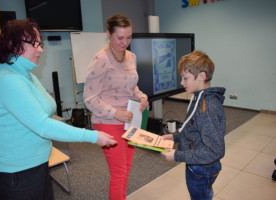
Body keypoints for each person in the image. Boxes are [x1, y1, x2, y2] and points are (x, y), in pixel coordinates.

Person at [0, 19, 116, 200]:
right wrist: (93, 136)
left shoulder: (25, 75)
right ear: (13, 45)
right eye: (34, 43)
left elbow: (44, 113)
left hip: (36, 162)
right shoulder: (7, 80)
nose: (41, 49)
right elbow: (43, 125)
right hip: (16, 170)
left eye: (40, 43)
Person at [83, 14, 149, 200]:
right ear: (108, 34)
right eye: (120, 37)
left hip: (130, 120)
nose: (125, 42)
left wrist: (141, 97)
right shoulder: (100, 59)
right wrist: (115, 113)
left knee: (126, 169)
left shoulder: (131, 56)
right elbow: (89, 98)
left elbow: (132, 86)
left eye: (128, 37)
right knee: (118, 173)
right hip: (107, 121)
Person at [161, 50, 226, 200]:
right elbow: (192, 128)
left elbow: (214, 151)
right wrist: (174, 136)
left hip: (202, 168)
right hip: (197, 163)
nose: (181, 83)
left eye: (185, 78)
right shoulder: (199, 98)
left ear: (201, 76)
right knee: (204, 194)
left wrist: (177, 155)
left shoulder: (207, 107)